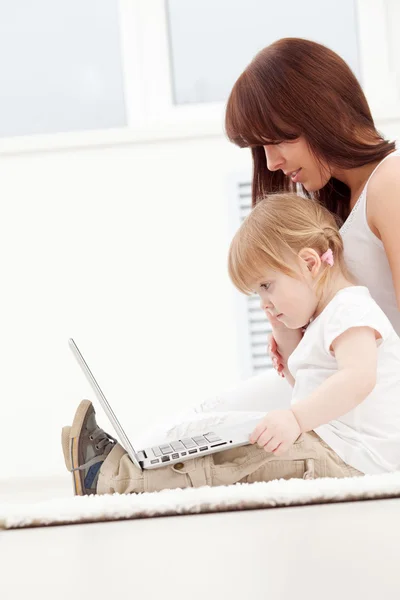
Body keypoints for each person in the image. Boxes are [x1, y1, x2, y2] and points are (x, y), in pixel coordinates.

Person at [62, 193, 400, 495]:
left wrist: (296, 419)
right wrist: (284, 334)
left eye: (267, 285)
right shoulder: (326, 318)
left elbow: (359, 379)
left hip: (355, 462)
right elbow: (314, 390)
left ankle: (115, 480)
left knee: (240, 461)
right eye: (258, 293)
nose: (264, 302)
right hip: (336, 451)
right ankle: (122, 467)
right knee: (233, 447)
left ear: (310, 263)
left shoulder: (350, 307)